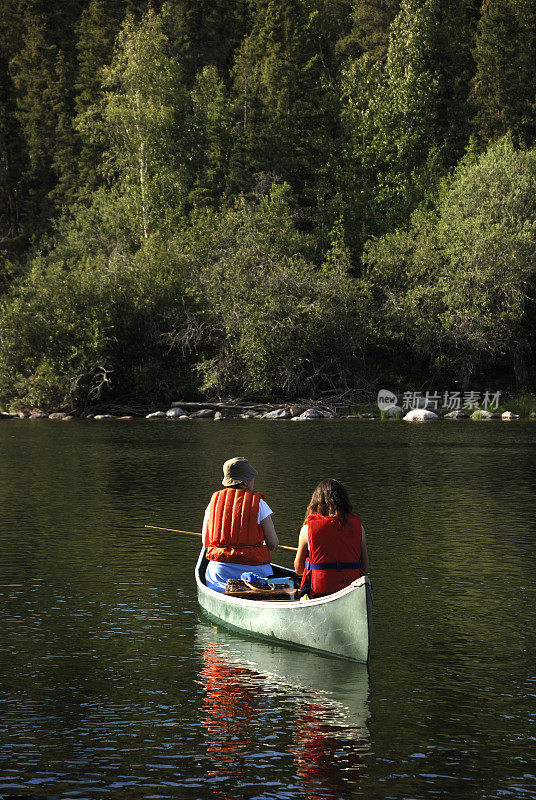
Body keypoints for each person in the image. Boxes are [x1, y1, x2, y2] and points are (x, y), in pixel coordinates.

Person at [201, 457, 279, 592]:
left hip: (220, 572)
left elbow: (205, 543)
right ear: (244, 482)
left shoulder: (213, 503)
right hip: (255, 572)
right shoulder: (259, 503)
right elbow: (272, 544)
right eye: (252, 477)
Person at [294, 479, 368, 599]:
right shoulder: (359, 528)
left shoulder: (306, 530)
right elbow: (364, 566)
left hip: (320, 593)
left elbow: (298, 569)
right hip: (351, 590)